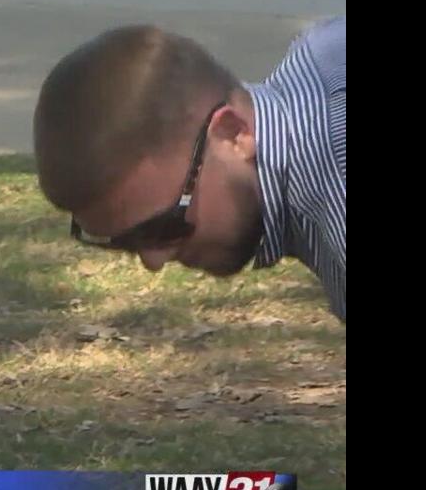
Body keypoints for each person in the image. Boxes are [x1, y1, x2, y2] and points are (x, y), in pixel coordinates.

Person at [33, 18, 346, 322]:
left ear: (233, 134)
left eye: (163, 228)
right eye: (122, 242)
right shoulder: (320, 54)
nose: (153, 262)